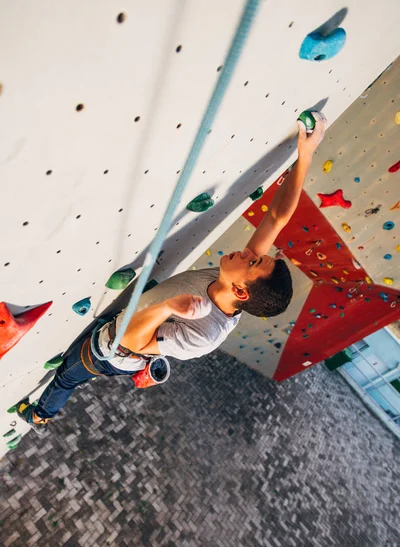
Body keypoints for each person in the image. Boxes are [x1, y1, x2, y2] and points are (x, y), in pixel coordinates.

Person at [16, 113, 327, 434]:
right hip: (119, 323)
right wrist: (306, 155)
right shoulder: (234, 284)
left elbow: (131, 339)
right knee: (74, 363)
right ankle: (45, 409)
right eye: (256, 256)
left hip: (113, 350)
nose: (250, 252)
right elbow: (276, 218)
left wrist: (165, 308)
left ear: (242, 292)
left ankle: (40, 416)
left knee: (68, 376)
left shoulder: (204, 334)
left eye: (252, 261)